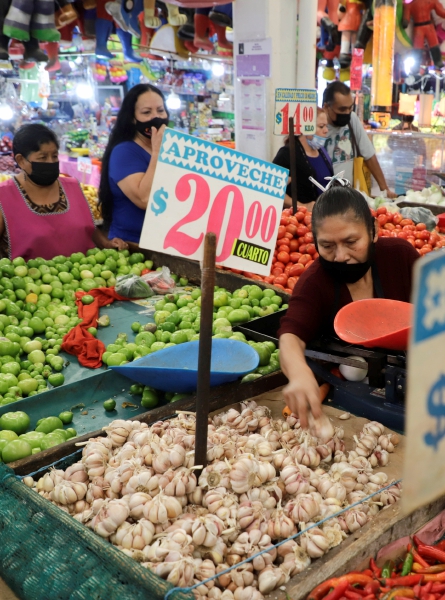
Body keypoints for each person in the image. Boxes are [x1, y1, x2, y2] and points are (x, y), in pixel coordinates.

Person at [278, 182, 418, 427]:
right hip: (352, 387)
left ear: (373, 230)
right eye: (328, 246)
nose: (341, 256)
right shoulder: (315, 283)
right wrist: (299, 374)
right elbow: (290, 336)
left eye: (351, 242)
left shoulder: (400, 258)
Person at [0, 123, 127, 260]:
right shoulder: (4, 196)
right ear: (21, 160)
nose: (50, 162)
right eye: (42, 157)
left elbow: (86, 228)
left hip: (83, 276)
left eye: (54, 156)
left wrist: (106, 243)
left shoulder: (72, 187)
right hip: (27, 279)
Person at [99, 83, 170, 244]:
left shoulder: (172, 149)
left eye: (160, 110)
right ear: (132, 118)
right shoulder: (123, 152)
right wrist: (158, 152)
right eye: (146, 112)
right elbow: (145, 199)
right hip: (133, 247)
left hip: (166, 244)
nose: (156, 117)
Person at [323, 81, 396, 199]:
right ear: (326, 107)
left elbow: (369, 155)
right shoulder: (316, 127)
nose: (347, 113)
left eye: (350, 108)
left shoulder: (352, 119)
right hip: (323, 197)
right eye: (342, 109)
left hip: (349, 196)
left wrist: (384, 189)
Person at [273, 108, 334, 210]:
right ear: (306, 128)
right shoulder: (288, 153)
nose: (326, 130)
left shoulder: (321, 151)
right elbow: (274, 189)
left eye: (326, 126)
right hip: (299, 221)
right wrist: (302, 206)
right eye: (321, 126)